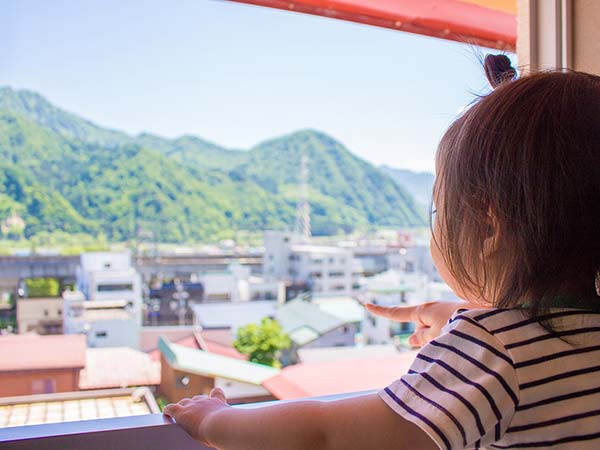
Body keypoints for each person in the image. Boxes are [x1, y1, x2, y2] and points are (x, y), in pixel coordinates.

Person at [163, 56, 600, 449]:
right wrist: (457, 316)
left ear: (488, 227)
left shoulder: (490, 351)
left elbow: (328, 436)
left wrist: (215, 422)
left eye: (436, 209)